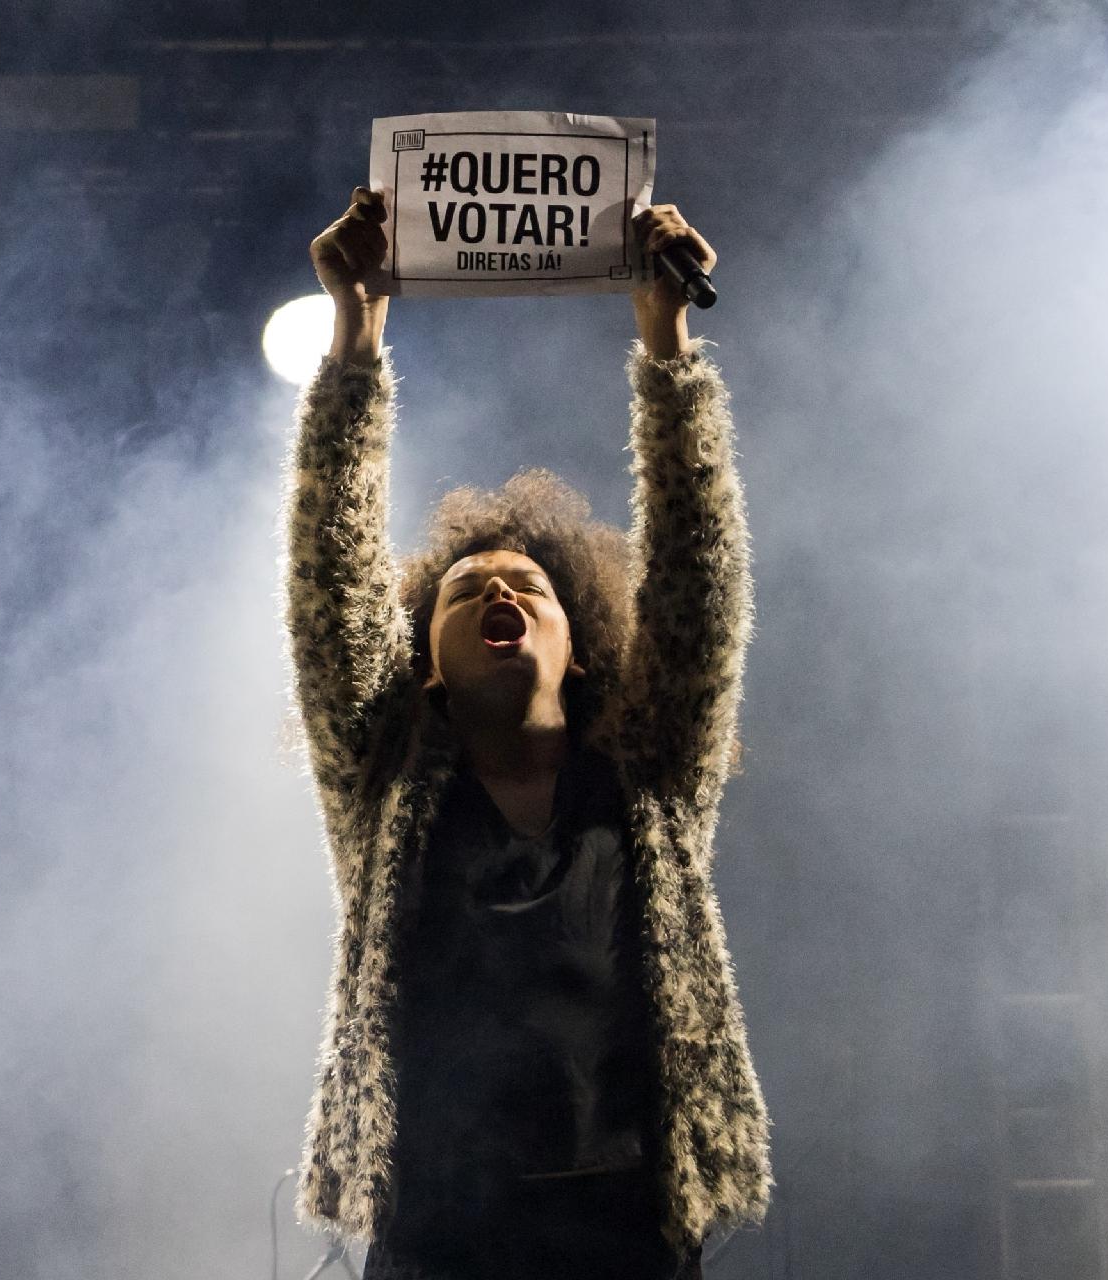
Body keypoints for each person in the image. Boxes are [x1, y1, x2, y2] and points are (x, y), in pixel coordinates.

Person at [281, 187, 773, 1280]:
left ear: (581, 648)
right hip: (438, 1237)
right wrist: (354, 343)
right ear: (426, 669)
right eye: (468, 592)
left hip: (630, 1234)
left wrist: (667, 348)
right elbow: (330, 586)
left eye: (526, 586)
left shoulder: (650, 784)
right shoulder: (387, 790)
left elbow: (699, 584)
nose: (500, 593)